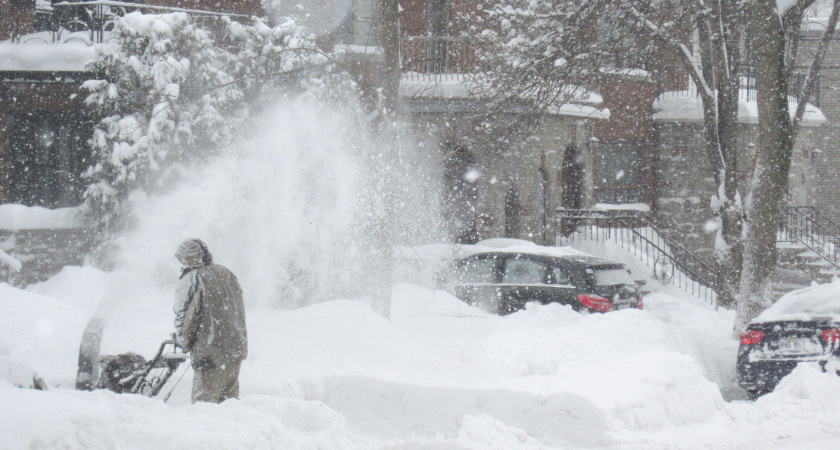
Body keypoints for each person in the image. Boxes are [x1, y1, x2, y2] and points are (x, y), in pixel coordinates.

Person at [173, 238, 247, 403]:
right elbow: (238, 309)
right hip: (235, 348)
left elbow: (184, 316)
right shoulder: (227, 273)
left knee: (204, 405)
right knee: (230, 403)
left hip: (209, 351)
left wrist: (183, 340)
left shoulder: (192, 278)